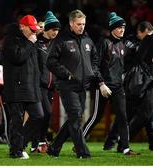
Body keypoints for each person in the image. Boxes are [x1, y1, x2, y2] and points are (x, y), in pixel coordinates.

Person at [46, 9, 110, 159]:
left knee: (75, 118)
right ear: (71, 23)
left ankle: (54, 148)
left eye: (83, 24)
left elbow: (94, 63)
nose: (82, 27)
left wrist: (100, 82)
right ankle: (83, 152)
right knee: (75, 116)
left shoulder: (88, 40)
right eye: (79, 24)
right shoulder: (61, 40)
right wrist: (66, 74)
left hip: (83, 86)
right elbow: (51, 62)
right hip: (67, 86)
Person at [82, 12, 140, 156]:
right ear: (113, 28)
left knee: (122, 116)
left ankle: (125, 148)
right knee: (96, 117)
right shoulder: (103, 43)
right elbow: (94, 65)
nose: (122, 30)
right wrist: (101, 84)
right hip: (103, 86)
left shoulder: (122, 44)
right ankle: (79, 142)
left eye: (124, 27)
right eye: (119, 27)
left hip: (117, 86)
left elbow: (123, 66)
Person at [103, 21, 153, 151]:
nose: (148, 38)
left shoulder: (144, 42)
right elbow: (123, 59)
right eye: (147, 35)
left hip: (145, 82)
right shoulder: (129, 42)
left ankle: (148, 142)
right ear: (140, 32)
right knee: (126, 113)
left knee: (147, 114)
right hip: (133, 82)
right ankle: (112, 142)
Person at [2, 14, 44, 159]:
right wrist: (30, 43)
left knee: (39, 116)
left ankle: (20, 144)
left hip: (31, 87)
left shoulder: (31, 40)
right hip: (15, 87)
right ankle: (16, 151)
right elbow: (18, 57)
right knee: (17, 121)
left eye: (34, 30)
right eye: (31, 30)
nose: (33, 33)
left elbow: (35, 65)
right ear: (22, 27)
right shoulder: (10, 40)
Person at [30, 11, 61, 153]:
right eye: (53, 29)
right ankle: (39, 141)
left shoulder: (57, 45)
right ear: (47, 29)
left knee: (42, 116)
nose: (56, 32)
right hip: (38, 85)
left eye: (57, 30)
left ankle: (35, 143)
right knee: (45, 113)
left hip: (51, 86)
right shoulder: (37, 44)